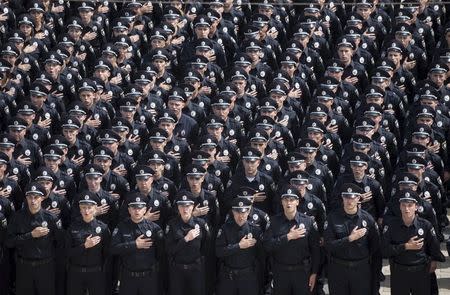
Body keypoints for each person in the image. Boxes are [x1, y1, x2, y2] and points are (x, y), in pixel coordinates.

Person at [381, 190, 445, 295]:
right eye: (403, 205)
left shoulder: (425, 225)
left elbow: (433, 247)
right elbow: (384, 250)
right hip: (399, 272)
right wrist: (406, 246)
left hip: (421, 272)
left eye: (410, 205)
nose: (406, 209)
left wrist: (434, 260)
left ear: (416, 207)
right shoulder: (391, 226)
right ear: (399, 206)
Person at [6, 182, 64, 295]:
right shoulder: (17, 218)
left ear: (42, 198)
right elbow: (9, 242)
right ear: (26, 198)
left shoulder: (51, 218)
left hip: (45, 267)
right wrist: (30, 235)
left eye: (36, 197)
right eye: (30, 197)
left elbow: (61, 243)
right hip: (24, 268)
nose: (33, 201)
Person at [324, 183, 380, 295]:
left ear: (358, 198)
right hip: (339, 269)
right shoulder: (332, 218)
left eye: (352, 197)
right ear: (342, 198)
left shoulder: (367, 219)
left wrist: (375, 275)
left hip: (361, 270)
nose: (349, 201)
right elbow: (328, 245)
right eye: (346, 197)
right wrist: (349, 239)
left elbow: (375, 248)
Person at [263, 185, 320, 295]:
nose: (288, 203)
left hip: (302, 272)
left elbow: (315, 250)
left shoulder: (308, 222)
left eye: (291, 200)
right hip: (281, 272)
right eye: (285, 200)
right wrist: (288, 237)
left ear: (297, 202)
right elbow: (267, 246)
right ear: (282, 202)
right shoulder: (274, 222)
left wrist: (314, 273)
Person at [110, 192, 164, 295]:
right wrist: (134, 245)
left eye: (140, 208)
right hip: (128, 278)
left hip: (148, 278)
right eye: (134, 208)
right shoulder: (121, 227)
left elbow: (160, 252)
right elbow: (113, 248)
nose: (137, 211)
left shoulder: (154, 228)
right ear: (129, 210)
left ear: (145, 209)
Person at [215, 197, 263, 295]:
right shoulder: (225, 229)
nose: (240, 216)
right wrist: (239, 246)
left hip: (248, 277)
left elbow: (261, 255)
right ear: (233, 212)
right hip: (229, 276)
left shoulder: (255, 230)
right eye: (237, 212)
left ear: (248, 211)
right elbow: (219, 252)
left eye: (243, 212)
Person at [66, 191, 111, 295]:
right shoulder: (72, 228)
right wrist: (85, 246)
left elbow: (106, 253)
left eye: (89, 207)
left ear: (95, 208)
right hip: (76, 272)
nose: (86, 211)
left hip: (95, 273)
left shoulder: (103, 228)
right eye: (83, 207)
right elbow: (67, 252)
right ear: (80, 209)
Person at [165, 191, 210, 295]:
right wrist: (186, 239)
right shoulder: (172, 225)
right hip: (177, 270)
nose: (185, 209)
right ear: (178, 207)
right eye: (181, 206)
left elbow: (206, 246)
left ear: (192, 206)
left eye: (188, 206)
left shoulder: (201, 224)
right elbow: (169, 249)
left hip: (196, 269)